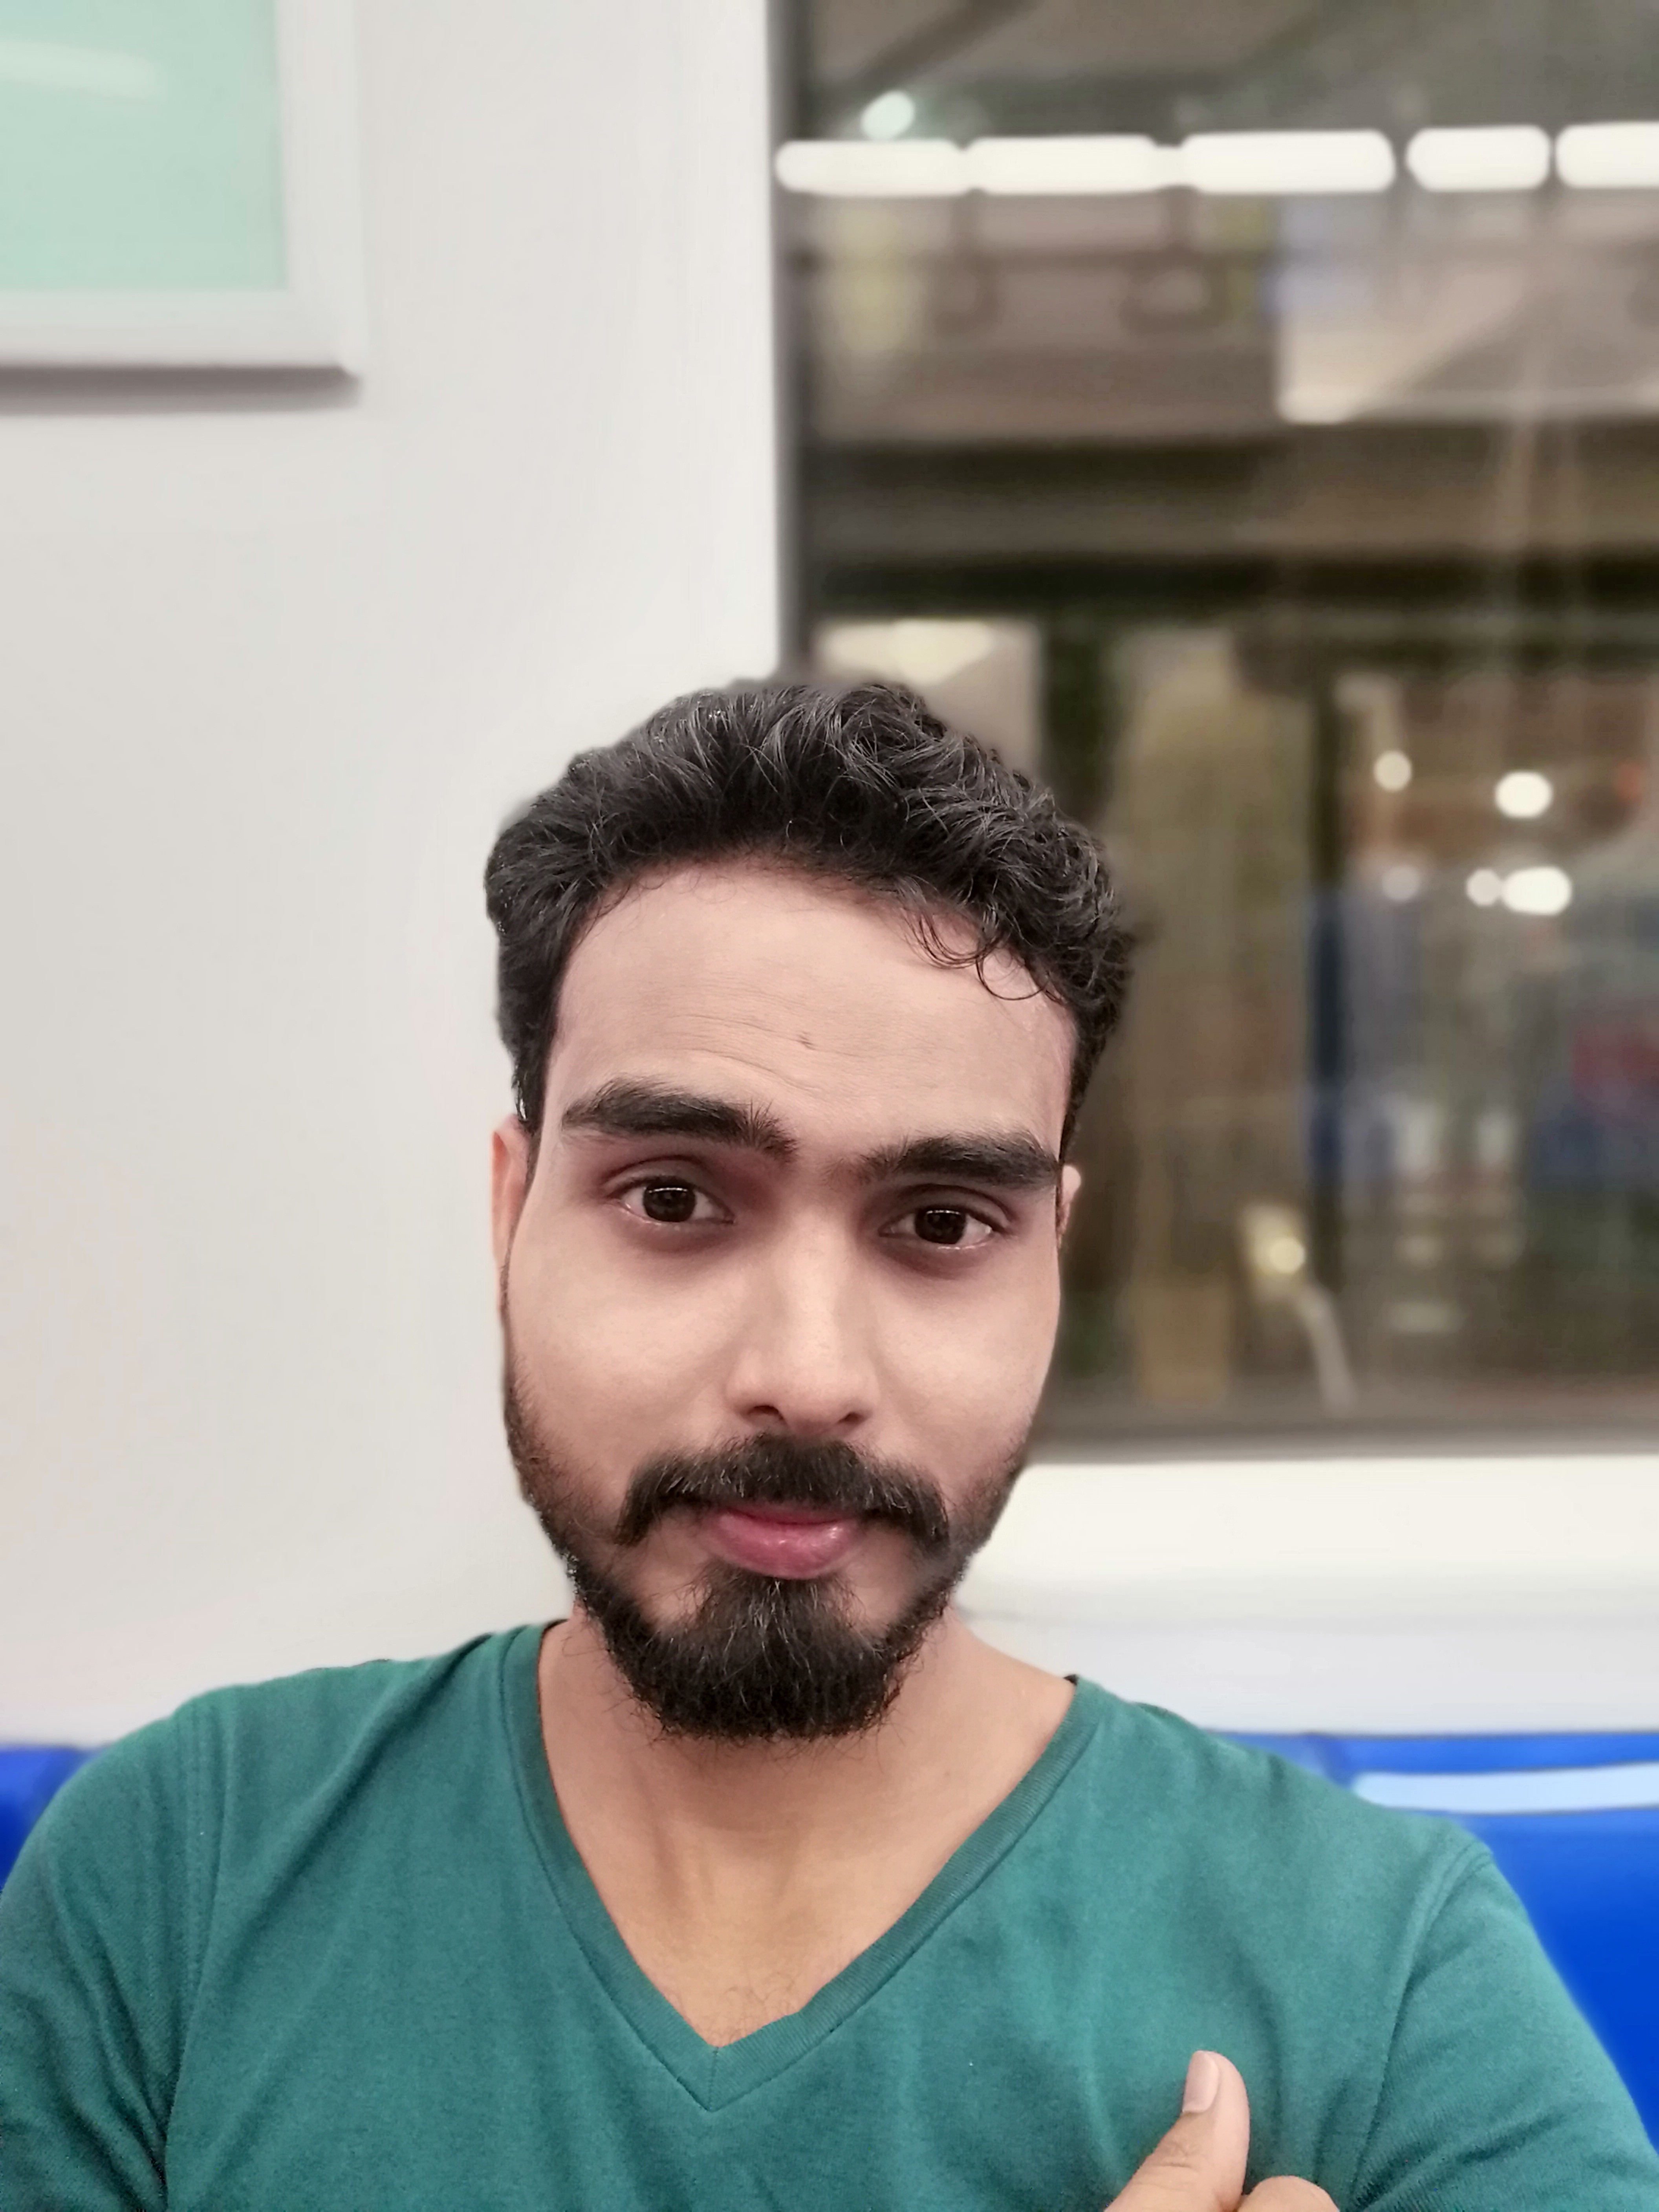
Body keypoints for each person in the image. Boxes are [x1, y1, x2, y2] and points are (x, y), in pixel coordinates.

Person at [0, 683, 1654, 2212]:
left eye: (941, 1221)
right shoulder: (178, 1881)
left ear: (1055, 1256)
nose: (805, 1376)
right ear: (512, 1212)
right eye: (673, 1198)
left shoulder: (1382, 1968)